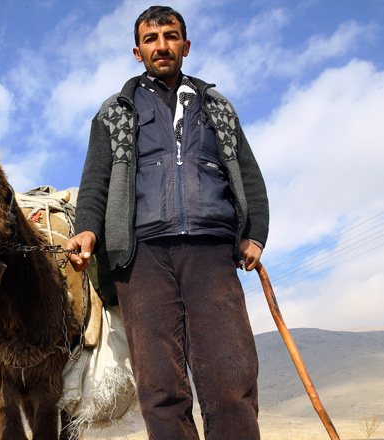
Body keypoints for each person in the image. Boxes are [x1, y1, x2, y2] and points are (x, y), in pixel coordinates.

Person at [65, 5, 270, 440]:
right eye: (151, 39)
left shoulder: (217, 106)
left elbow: (247, 172)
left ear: (186, 46)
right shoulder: (115, 111)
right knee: (160, 388)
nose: (162, 45)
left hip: (212, 251)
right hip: (142, 257)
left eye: (171, 36)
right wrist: (86, 229)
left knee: (231, 377)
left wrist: (255, 233)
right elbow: (96, 181)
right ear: (137, 51)